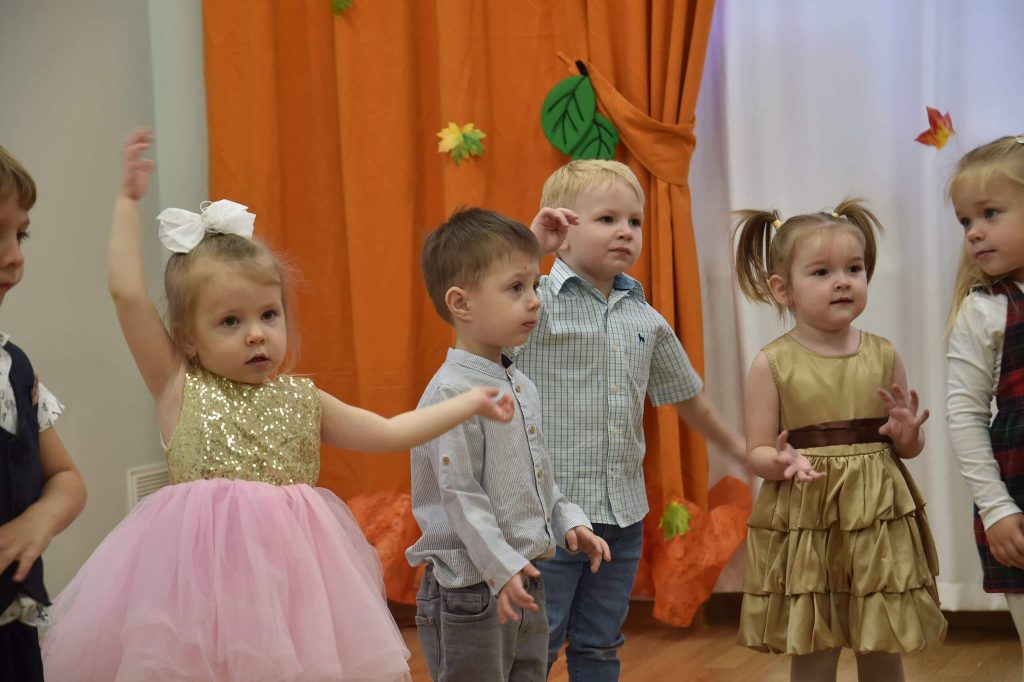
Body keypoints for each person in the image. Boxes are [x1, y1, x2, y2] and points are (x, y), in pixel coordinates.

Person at [41, 129, 515, 682]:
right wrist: (126, 201)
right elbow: (127, 294)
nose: (256, 334)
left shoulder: (303, 399)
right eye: (229, 321)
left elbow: (390, 431)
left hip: (292, 590)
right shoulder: (177, 383)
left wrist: (469, 402)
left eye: (268, 314)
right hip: (195, 592)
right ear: (188, 338)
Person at [520, 159, 745, 680]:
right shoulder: (533, 302)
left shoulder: (646, 318)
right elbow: (484, 300)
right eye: (607, 219)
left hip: (621, 519)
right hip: (548, 516)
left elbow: (689, 399)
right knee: (534, 645)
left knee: (600, 643)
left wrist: (742, 449)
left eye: (635, 221)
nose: (625, 231)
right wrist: (532, 248)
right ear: (561, 231)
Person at [734, 199, 946, 681]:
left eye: (854, 269)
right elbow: (758, 452)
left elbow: (905, 449)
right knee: (815, 637)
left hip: (876, 516)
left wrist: (908, 435)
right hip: (809, 515)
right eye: (822, 272)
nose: (843, 281)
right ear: (783, 289)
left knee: (883, 630)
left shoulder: (884, 354)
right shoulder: (771, 364)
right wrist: (781, 462)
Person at [408, 207, 610, 682]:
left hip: (525, 580)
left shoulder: (520, 384)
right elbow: (461, 496)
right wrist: (502, 567)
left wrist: (568, 520)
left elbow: (538, 480)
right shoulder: (451, 393)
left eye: (535, 286)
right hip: (471, 592)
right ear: (461, 304)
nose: (535, 301)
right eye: (516, 288)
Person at [0, 146, 86, 681]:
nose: (15, 256)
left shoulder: (16, 372)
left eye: (21, 235)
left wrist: (40, 518)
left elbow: (66, 478)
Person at [946, 134, 1024, 681]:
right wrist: (996, 508)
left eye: (989, 213)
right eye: (964, 221)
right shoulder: (985, 312)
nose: (973, 232)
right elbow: (965, 416)